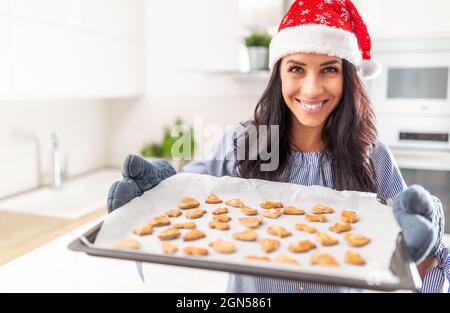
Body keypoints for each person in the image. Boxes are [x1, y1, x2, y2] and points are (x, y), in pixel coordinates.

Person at [107, 0, 448, 292]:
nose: (312, 89)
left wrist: (430, 236)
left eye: (328, 70)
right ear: (279, 74)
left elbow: (419, 261)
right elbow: (182, 209)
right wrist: (154, 200)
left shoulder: (373, 157)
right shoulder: (239, 144)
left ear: (347, 77)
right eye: (297, 68)